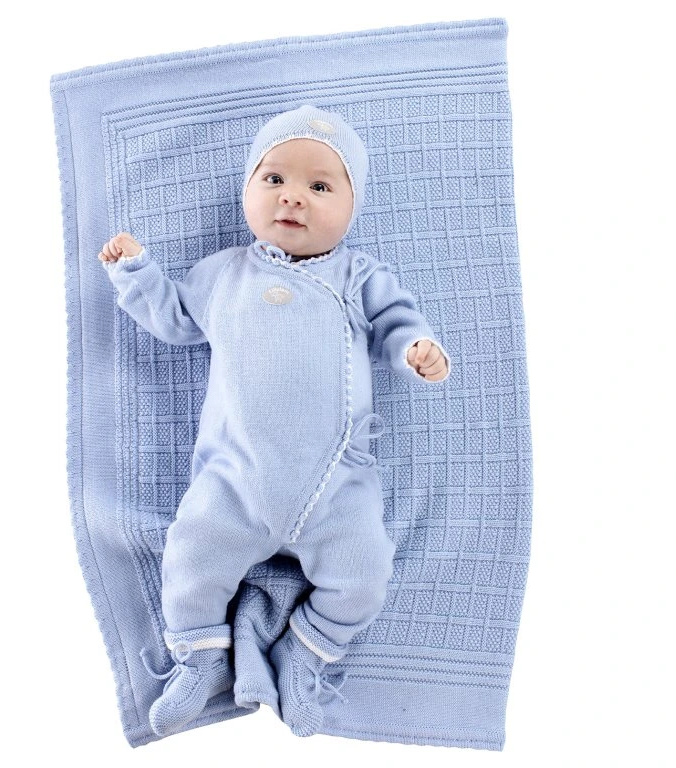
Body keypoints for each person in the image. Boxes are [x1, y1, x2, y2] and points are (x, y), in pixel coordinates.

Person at [98, 105, 450, 737]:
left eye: (320, 186)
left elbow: (397, 321)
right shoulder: (224, 274)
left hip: (336, 486)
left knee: (365, 575)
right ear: (248, 189)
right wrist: (136, 272)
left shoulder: (358, 276)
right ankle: (202, 659)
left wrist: (415, 349)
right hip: (236, 479)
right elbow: (174, 318)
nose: (293, 196)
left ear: (352, 208)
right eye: (275, 179)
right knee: (191, 554)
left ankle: (304, 653)